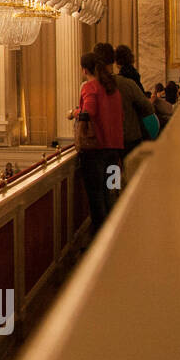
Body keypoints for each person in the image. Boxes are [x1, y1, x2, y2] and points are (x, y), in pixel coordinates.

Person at [72, 51, 124, 230]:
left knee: (97, 194)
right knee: (113, 189)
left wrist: (74, 113)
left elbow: (89, 112)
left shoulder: (90, 87)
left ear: (84, 69)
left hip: (96, 150)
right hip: (116, 149)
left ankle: (102, 237)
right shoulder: (112, 87)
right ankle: (117, 230)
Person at [94, 43, 155, 156]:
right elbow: (148, 108)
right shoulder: (127, 83)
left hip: (104, 143)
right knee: (132, 172)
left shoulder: (90, 87)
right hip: (129, 139)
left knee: (113, 173)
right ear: (114, 61)